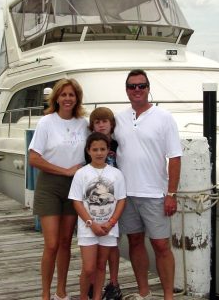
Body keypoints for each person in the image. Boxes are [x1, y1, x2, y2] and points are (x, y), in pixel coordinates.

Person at [114, 69, 182, 300]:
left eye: (141, 86)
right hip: (126, 194)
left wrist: (171, 193)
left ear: (148, 88)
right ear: (126, 90)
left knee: (161, 245)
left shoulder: (164, 118)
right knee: (134, 241)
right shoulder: (119, 119)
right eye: (132, 86)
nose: (137, 90)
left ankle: (168, 296)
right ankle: (143, 291)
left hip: (155, 193)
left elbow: (174, 157)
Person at [29, 78, 89, 300]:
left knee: (66, 242)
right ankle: (45, 294)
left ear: (77, 98)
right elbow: (34, 158)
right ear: (56, 98)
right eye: (63, 95)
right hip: (50, 185)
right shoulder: (47, 122)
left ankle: (61, 292)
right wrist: (64, 171)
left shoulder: (84, 123)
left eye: (71, 95)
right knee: (52, 243)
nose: (67, 99)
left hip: (75, 187)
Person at [69, 132, 126, 300]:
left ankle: (96, 297)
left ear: (109, 150)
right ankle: (83, 297)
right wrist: (90, 223)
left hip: (109, 227)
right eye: (95, 149)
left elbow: (121, 200)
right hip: (88, 228)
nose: (99, 153)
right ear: (88, 151)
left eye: (102, 149)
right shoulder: (81, 173)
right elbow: (77, 201)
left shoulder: (116, 174)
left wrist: (111, 222)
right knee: (88, 268)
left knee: (101, 265)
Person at [85, 107, 123, 300]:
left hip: (115, 201)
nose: (101, 124)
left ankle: (114, 283)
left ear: (111, 124)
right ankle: (93, 283)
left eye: (105, 121)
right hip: (95, 205)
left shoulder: (117, 144)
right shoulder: (91, 146)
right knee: (94, 245)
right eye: (97, 122)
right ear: (92, 126)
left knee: (113, 243)